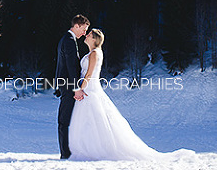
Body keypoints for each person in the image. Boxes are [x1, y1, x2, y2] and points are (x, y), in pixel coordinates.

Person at [68, 28, 194, 161]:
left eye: (89, 35)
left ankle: (98, 150)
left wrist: (80, 89)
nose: (86, 36)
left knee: (94, 120)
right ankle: (90, 149)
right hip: (88, 89)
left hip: (90, 89)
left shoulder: (95, 53)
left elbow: (89, 74)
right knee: (89, 121)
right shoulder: (91, 53)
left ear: (94, 39)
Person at [55, 14, 90, 159]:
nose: (85, 33)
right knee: (64, 120)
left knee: (67, 119)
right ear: (76, 26)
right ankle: (65, 154)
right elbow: (70, 66)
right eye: (84, 29)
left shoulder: (66, 39)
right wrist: (76, 88)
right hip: (69, 85)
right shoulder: (69, 41)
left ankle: (68, 152)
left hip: (65, 84)